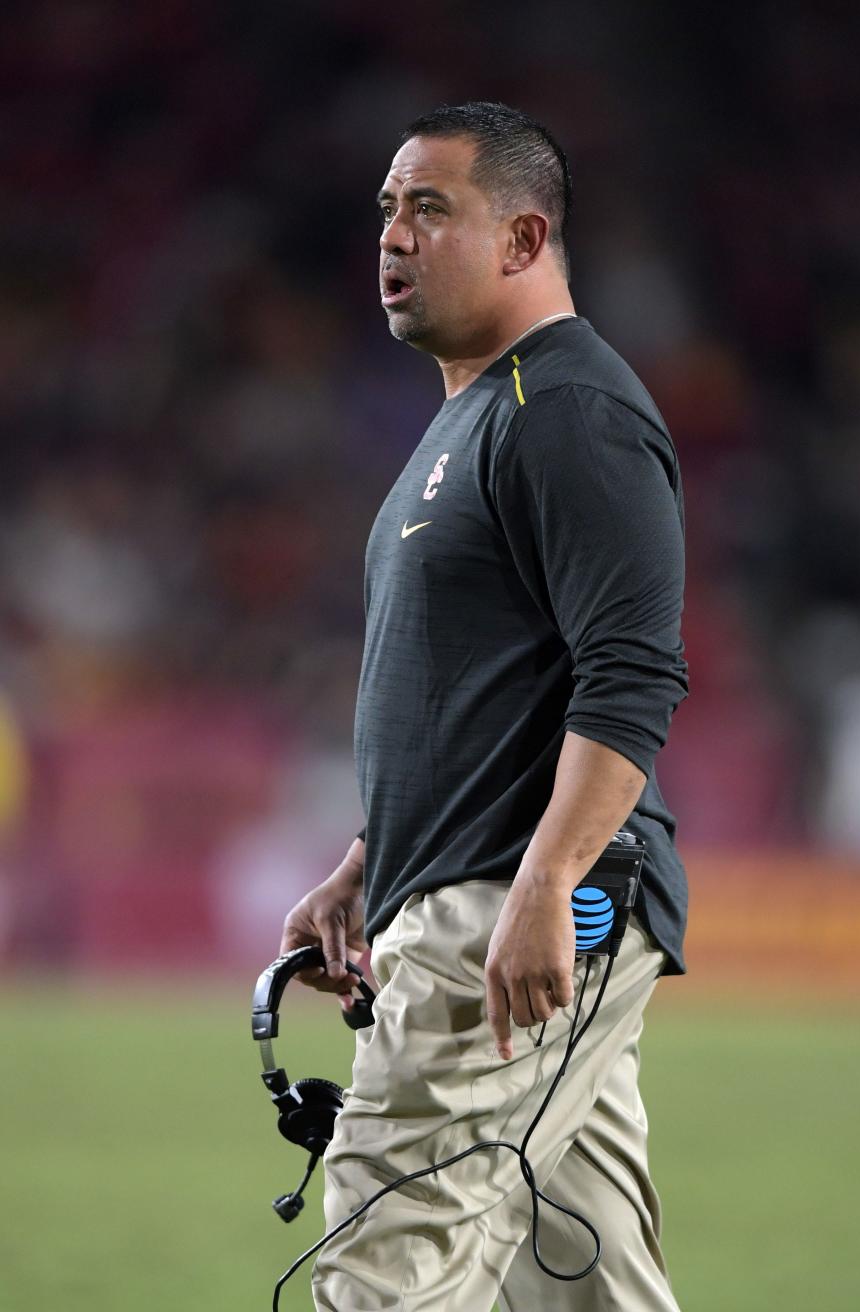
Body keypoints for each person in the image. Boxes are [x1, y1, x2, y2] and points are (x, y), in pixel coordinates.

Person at [280, 101, 689, 1312]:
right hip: (479, 892)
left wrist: (549, 881)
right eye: (387, 212)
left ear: (523, 239)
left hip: (515, 908)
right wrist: (371, 858)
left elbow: (631, 673)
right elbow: (482, 694)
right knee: (581, 1281)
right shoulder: (472, 417)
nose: (392, 237)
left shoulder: (567, 412)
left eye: (430, 209)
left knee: (381, 1258)